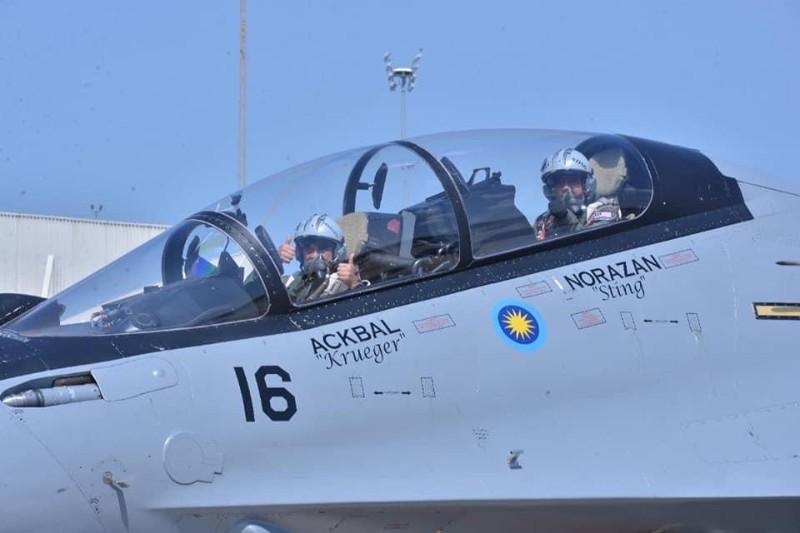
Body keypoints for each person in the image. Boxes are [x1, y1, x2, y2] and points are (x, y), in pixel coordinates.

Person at [533, 148, 621, 240]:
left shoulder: (604, 210)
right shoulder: (542, 222)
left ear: (586, 185)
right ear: (550, 190)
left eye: (573, 181)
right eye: (560, 182)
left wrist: (564, 218)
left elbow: (592, 243)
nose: (566, 187)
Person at [277, 214, 362, 301]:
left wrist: (354, 285)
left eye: (323, 248)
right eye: (309, 249)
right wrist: (276, 261)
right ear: (300, 254)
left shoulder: (345, 281)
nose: (315, 255)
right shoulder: (290, 282)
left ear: (336, 252)